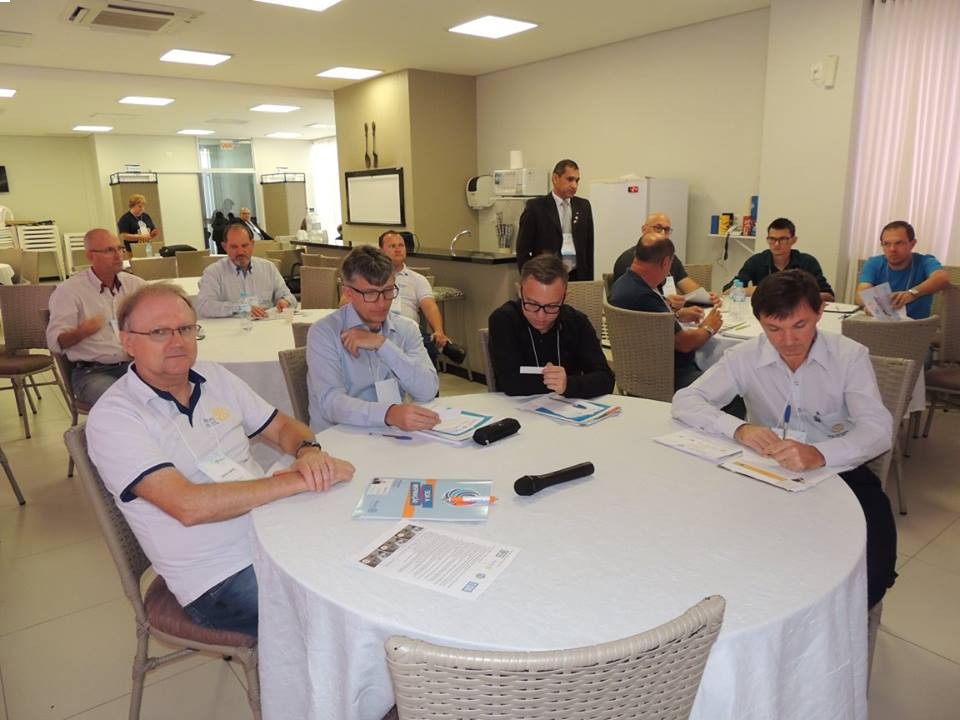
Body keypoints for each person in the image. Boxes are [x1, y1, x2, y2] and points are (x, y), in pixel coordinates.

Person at [85, 283, 355, 636]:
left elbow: (282, 427)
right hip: (218, 576)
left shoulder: (214, 377)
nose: (177, 342)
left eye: (185, 329)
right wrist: (297, 480)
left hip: (273, 532)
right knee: (343, 618)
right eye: (159, 332)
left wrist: (308, 452)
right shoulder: (115, 417)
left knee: (362, 561)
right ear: (128, 342)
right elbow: (188, 506)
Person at [672, 269, 897, 608]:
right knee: (727, 556)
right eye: (774, 329)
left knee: (872, 574)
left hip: (839, 473)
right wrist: (739, 429)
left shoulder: (849, 356)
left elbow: (878, 429)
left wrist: (820, 453)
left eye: (799, 325)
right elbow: (686, 401)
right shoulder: (746, 356)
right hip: (764, 471)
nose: (788, 340)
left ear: (819, 313)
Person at [306, 246, 439, 432]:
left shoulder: (405, 328)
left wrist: (383, 345)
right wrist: (388, 414)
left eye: (388, 291)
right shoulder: (324, 332)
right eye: (370, 294)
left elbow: (428, 390)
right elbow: (331, 403)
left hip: (392, 434)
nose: (382, 303)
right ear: (348, 293)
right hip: (339, 437)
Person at [489, 254, 614, 398]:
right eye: (532, 304)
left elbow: (606, 379)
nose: (541, 316)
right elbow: (509, 382)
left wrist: (568, 384)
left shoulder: (577, 322)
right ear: (519, 291)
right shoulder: (504, 320)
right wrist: (560, 382)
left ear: (565, 297)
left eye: (552, 306)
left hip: (567, 408)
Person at [46, 229, 147, 404]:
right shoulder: (69, 291)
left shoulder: (134, 285)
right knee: (122, 403)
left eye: (120, 249)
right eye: (109, 250)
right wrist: (81, 332)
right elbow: (55, 342)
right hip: (92, 373)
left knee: (172, 388)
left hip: (134, 366)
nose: (118, 255)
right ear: (90, 256)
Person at [608, 233, 722, 390]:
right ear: (666, 262)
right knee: (733, 390)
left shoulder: (624, 284)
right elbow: (684, 343)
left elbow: (647, 323)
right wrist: (709, 327)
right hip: (669, 377)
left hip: (638, 372)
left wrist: (677, 315)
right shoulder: (644, 296)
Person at [612, 211, 720, 321]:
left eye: (667, 230)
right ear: (644, 229)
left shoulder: (670, 258)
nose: (662, 233)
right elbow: (637, 303)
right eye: (658, 228)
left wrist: (707, 297)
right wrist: (707, 328)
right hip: (645, 321)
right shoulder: (629, 261)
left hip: (667, 315)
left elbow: (688, 286)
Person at [378, 230, 466, 365]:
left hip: (409, 329)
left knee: (422, 344)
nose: (398, 249)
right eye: (392, 246)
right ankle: (437, 346)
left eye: (401, 245)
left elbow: (430, 307)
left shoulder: (417, 279)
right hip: (380, 327)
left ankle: (435, 345)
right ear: (381, 251)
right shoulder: (371, 276)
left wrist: (439, 331)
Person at [195, 223, 296, 318]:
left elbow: (288, 296)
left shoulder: (268, 268)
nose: (240, 252)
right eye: (234, 247)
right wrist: (241, 308)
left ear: (252, 244)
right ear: (225, 247)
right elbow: (204, 305)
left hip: (265, 323)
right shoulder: (213, 272)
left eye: (244, 245)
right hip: (232, 327)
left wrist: (285, 301)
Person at [516, 159, 594, 280]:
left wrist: (589, 281)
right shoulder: (536, 208)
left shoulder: (583, 206)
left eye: (577, 180)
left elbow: (588, 248)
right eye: (570, 179)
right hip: (547, 277)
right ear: (555, 178)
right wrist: (529, 279)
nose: (574, 185)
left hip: (577, 275)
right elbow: (523, 250)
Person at [856, 220, 951, 319]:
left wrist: (912, 293)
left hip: (917, 325)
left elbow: (942, 278)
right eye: (886, 244)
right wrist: (870, 304)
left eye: (899, 243)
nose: (892, 249)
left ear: (912, 244)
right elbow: (861, 294)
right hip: (881, 324)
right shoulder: (874, 263)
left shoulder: (924, 261)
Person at [722, 217, 835, 300]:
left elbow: (829, 296)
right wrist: (754, 290)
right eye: (772, 239)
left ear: (793, 240)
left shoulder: (807, 262)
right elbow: (727, 291)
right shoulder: (757, 261)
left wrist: (798, 296)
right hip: (765, 313)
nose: (776, 244)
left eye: (782, 239)